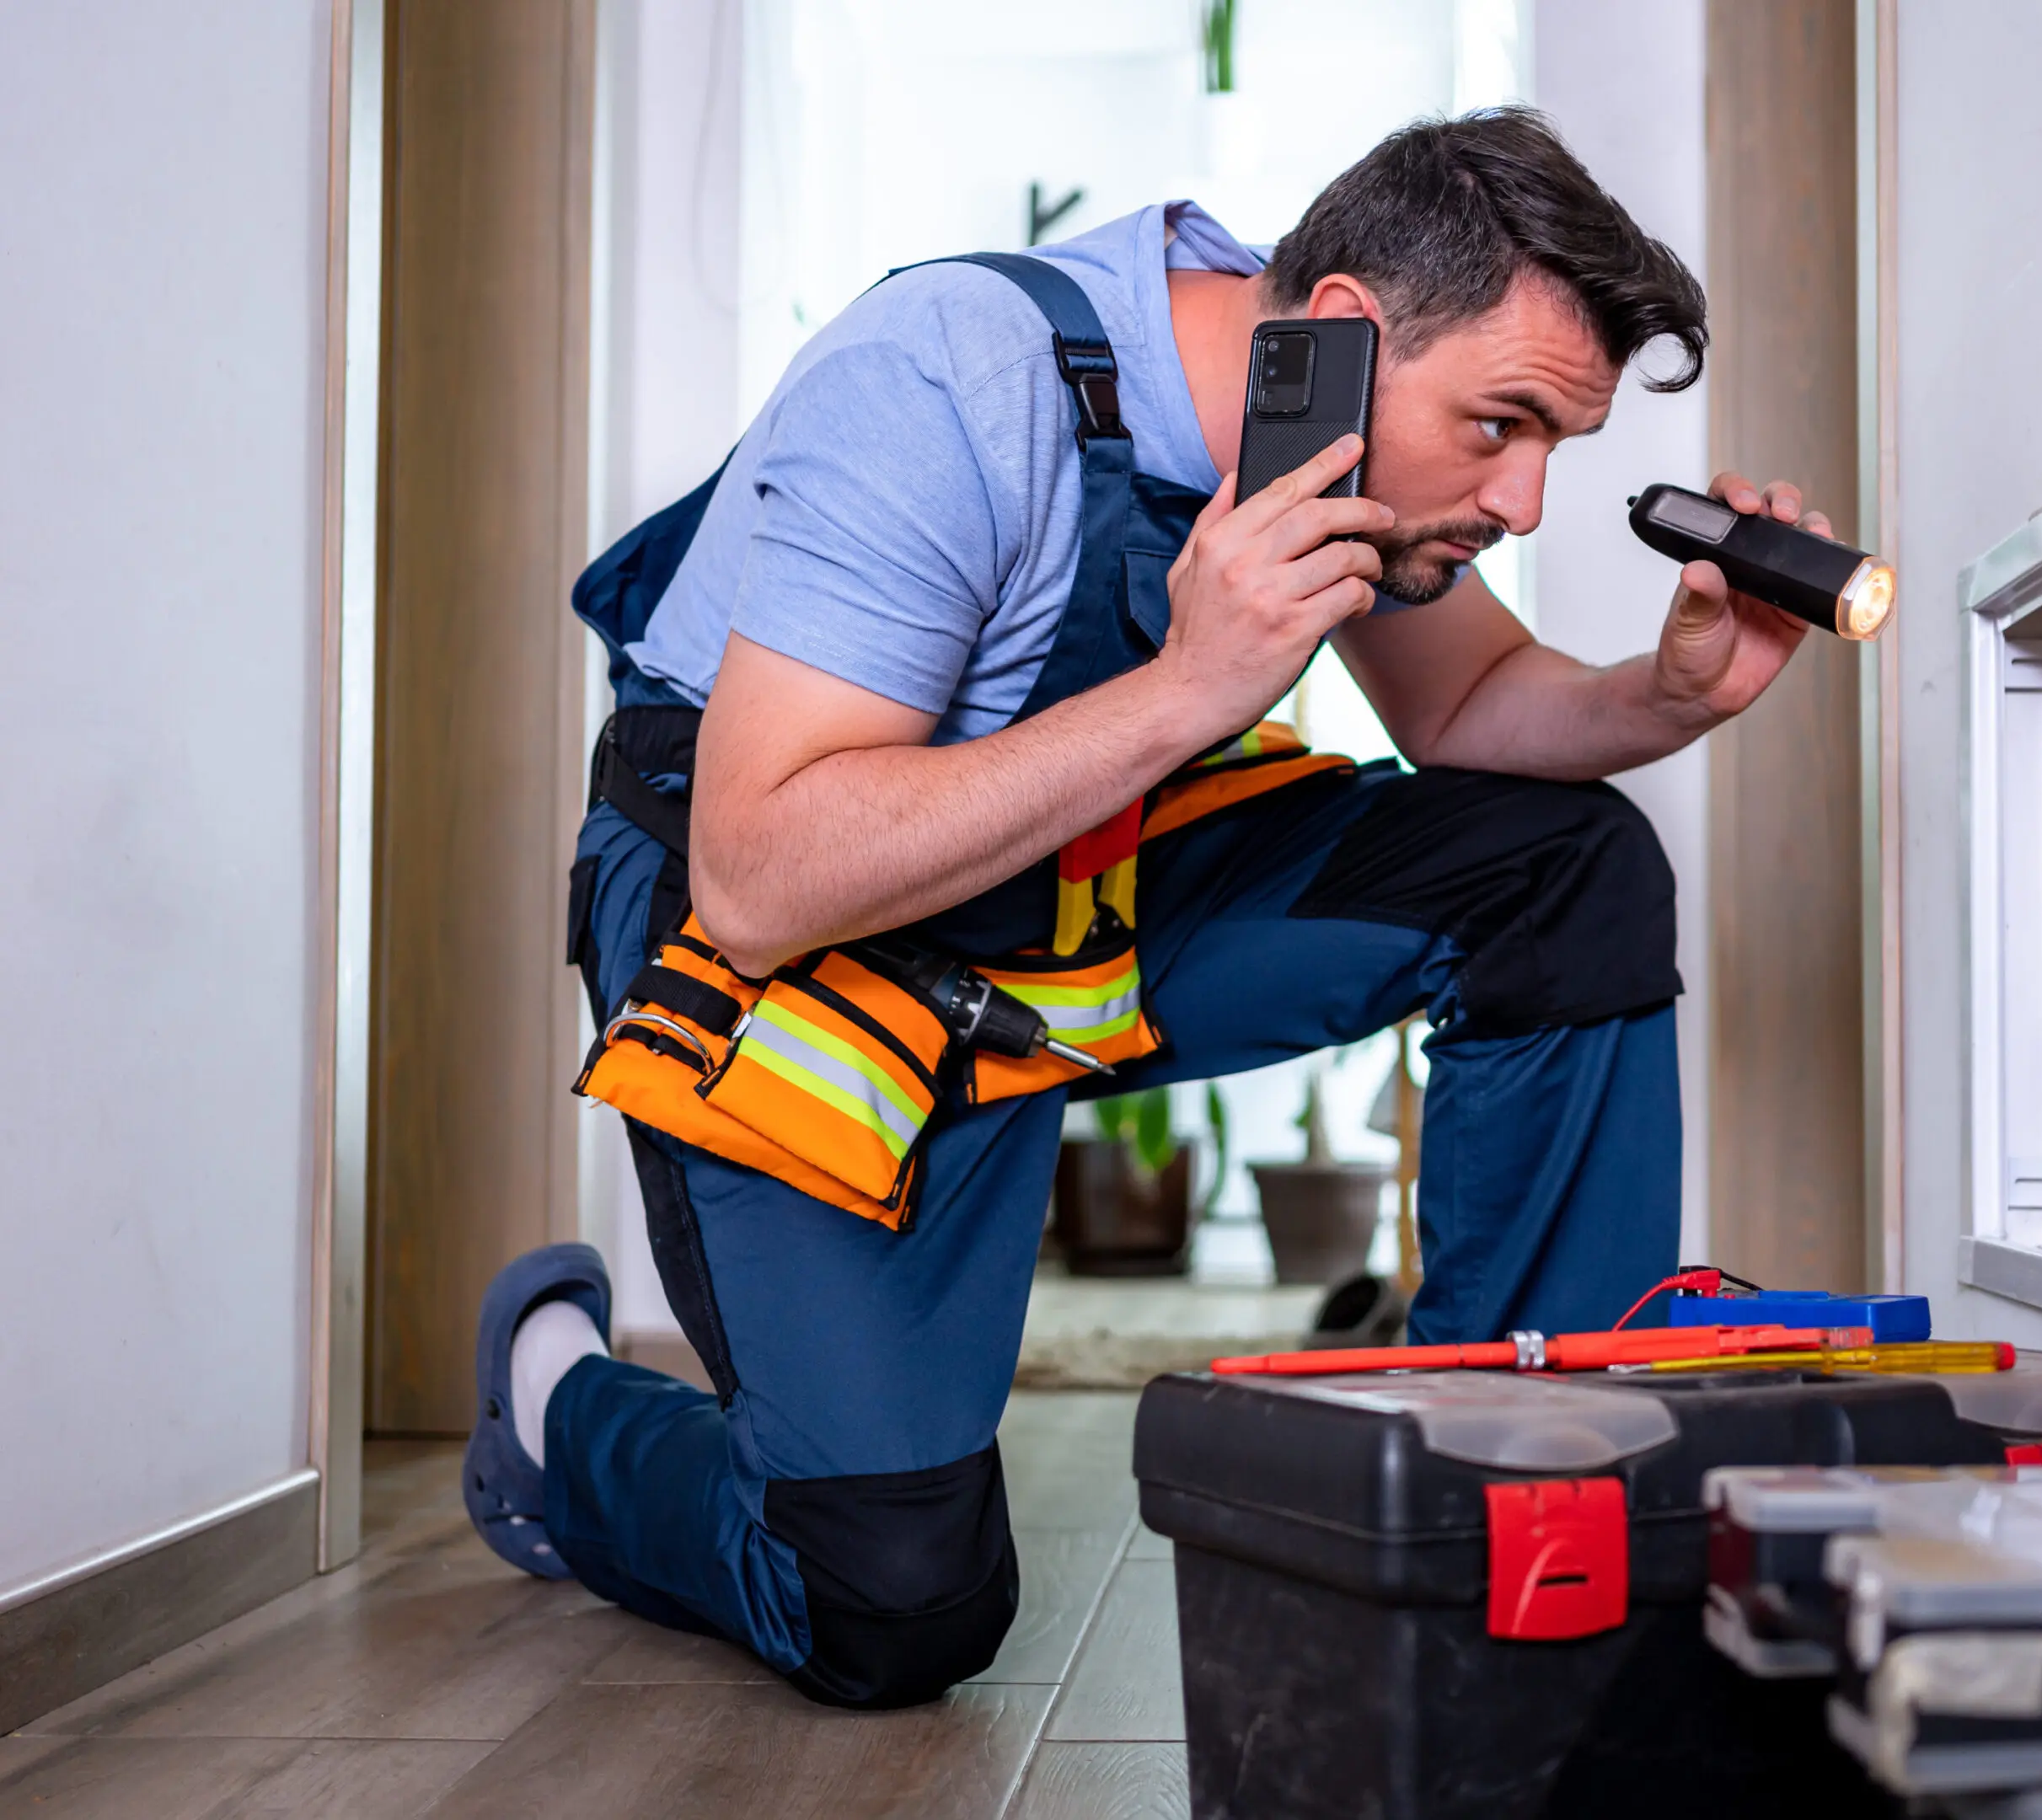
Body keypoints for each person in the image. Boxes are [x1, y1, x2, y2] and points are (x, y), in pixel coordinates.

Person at [463, 107, 1835, 1709]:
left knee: (1568, 872)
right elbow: (762, 876)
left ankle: (1522, 1497)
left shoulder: (1311, 420)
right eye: (1501, 427)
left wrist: (1673, 696)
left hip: (1073, 880)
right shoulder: (950, 379)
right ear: (1345, 336)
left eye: (1555, 450)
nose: (1524, 504)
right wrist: (1196, 682)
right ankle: (559, 1404)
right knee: (888, 1598)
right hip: (789, 901)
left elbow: (1471, 713)